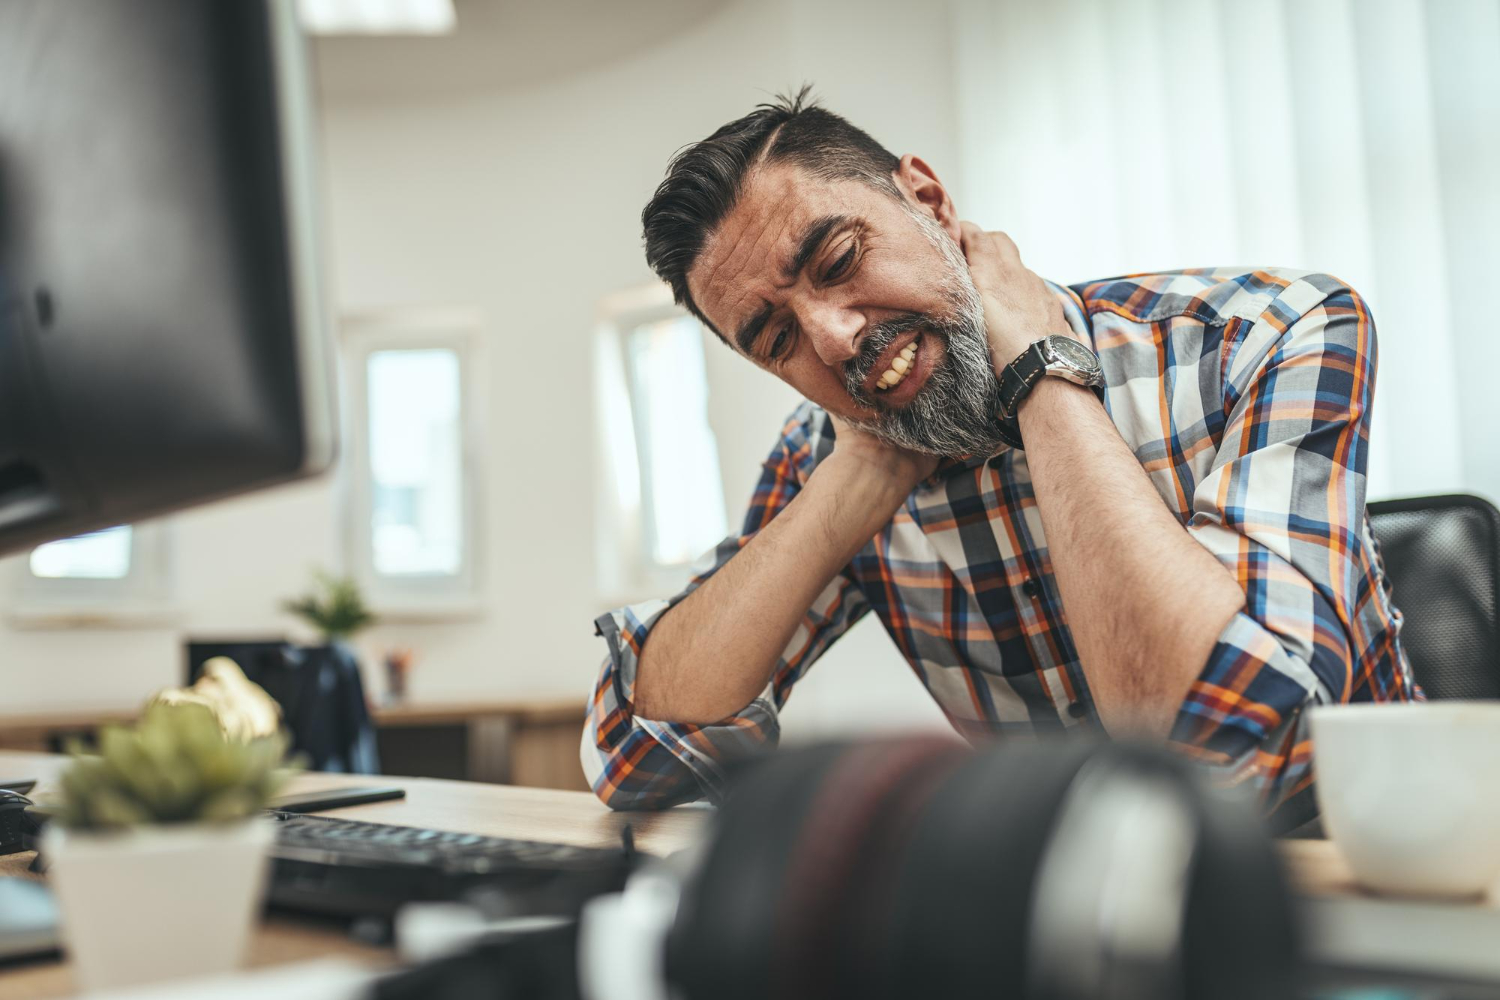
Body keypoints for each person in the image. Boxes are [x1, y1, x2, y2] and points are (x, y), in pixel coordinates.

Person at [582, 87, 1416, 828]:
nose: (833, 340)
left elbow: (1242, 755)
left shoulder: (1264, 335)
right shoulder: (824, 457)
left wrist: (1042, 374)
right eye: (777, 339)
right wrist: (861, 477)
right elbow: (635, 756)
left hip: (1363, 888)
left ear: (930, 201)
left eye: (838, 261)